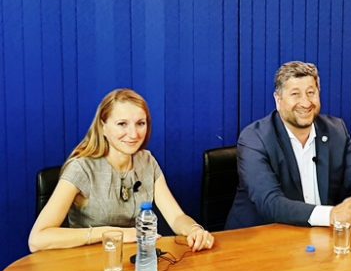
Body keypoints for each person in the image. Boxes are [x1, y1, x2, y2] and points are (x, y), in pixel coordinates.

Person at [28, 89, 215, 252]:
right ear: (103, 127)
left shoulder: (147, 161)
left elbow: (176, 217)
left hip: (132, 262)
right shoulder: (81, 168)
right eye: (122, 124)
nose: (133, 134)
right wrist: (111, 233)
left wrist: (194, 229)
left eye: (140, 123)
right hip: (87, 265)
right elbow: (37, 239)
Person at [226, 61, 351, 229]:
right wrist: (332, 215)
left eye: (311, 93)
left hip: (320, 236)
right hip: (261, 236)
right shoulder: (254, 138)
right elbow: (270, 202)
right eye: (295, 94)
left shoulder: (336, 130)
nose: (305, 102)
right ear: (278, 99)